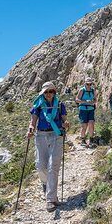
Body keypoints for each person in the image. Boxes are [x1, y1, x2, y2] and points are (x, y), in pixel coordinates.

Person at [27, 81, 70, 212]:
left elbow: (64, 119)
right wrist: (30, 128)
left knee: (53, 166)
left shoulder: (60, 105)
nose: (48, 94)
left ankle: (51, 199)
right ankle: (46, 184)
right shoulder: (38, 105)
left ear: (54, 92)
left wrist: (66, 124)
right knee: (40, 165)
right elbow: (33, 120)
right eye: (46, 92)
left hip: (56, 135)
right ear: (42, 93)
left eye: (51, 91)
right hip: (41, 136)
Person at [75, 77, 98, 147]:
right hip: (83, 109)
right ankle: (82, 139)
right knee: (84, 125)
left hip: (91, 109)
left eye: (90, 84)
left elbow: (95, 100)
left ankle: (91, 139)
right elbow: (76, 99)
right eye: (87, 84)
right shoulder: (82, 90)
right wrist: (85, 101)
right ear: (85, 83)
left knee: (91, 124)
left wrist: (92, 102)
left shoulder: (93, 90)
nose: (89, 85)